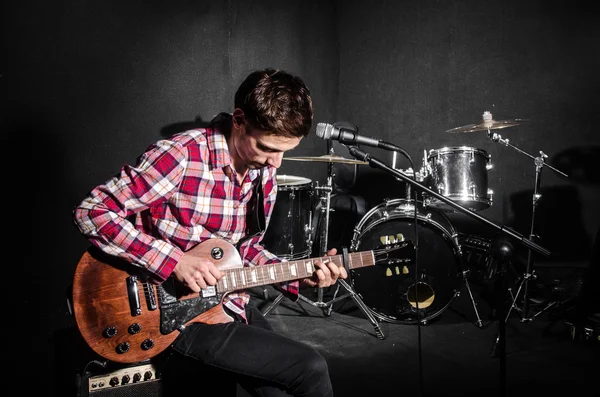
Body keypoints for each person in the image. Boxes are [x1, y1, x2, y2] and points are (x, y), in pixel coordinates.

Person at [72, 68, 347, 396]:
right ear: (239, 119)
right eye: (267, 148)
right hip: (173, 312)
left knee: (278, 390)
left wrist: (299, 275)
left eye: (284, 151)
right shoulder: (182, 156)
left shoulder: (263, 174)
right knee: (310, 367)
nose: (277, 163)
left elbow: (245, 252)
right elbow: (92, 212)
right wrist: (173, 261)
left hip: (228, 303)